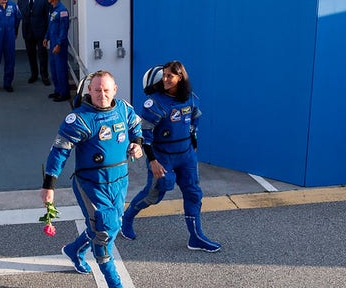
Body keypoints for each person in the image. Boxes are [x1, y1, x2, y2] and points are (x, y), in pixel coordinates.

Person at [40, 71, 143, 288]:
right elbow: (59, 152)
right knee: (105, 232)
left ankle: (74, 249)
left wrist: (137, 144)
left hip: (120, 181)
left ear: (115, 89)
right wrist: (49, 186)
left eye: (106, 90)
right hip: (91, 185)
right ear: (89, 90)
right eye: (97, 90)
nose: (102, 94)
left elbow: (136, 127)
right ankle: (115, 283)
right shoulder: (79, 119)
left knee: (110, 225)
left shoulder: (124, 109)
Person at [121, 61, 221, 252]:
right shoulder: (154, 103)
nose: (165, 79)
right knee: (156, 193)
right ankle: (127, 218)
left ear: (180, 77)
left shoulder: (191, 98)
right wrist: (152, 161)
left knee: (193, 193)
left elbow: (194, 121)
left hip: (186, 156)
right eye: (164, 75)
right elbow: (145, 136)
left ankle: (196, 237)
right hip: (162, 156)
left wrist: (194, 143)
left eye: (170, 76)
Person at [17, 0, 51, 85]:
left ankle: (44, 76)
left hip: (41, 32)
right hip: (27, 32)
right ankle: (34, 74)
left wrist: (47, 34)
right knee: (30, 55)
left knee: (42, 55)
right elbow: (18, 16)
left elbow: (47, 17)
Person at [43, 0, 71, 102]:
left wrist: (59, 44)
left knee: (61, 69)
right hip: (52, 43)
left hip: (59, 46)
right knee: (54, 69)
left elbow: (64, 30)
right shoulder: (53, 9)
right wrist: (46, 37)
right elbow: (51, 27)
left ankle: (64, 93)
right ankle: (57, 90)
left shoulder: (62, 10)